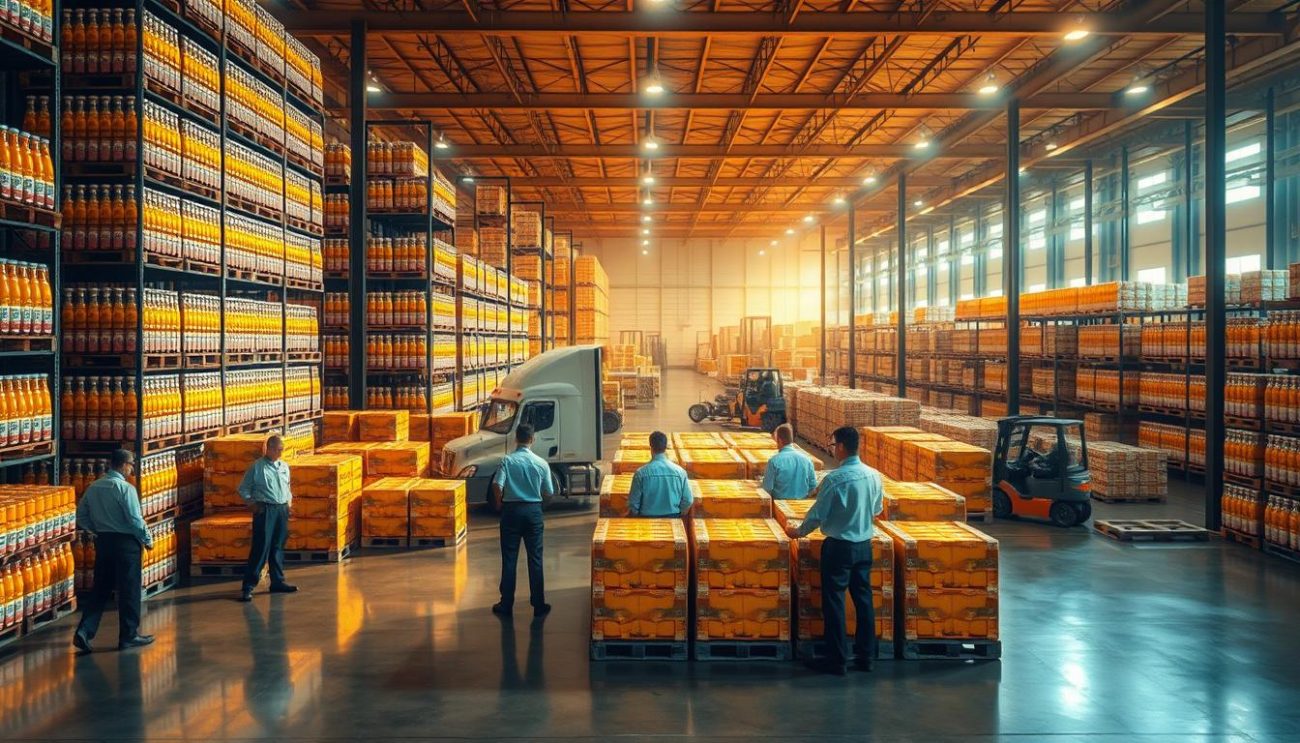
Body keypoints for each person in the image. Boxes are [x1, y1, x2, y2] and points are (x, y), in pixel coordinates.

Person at [797, 426, 884, 675]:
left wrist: (799, 531)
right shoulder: (874, 476)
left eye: (833, 445)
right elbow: (877, 510)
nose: (833, 450)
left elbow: (818, 515)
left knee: (834, 603)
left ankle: (837, 660)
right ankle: (866, 657)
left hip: (838, 548)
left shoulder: (834, 480)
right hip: (864, 546)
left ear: (842, 447)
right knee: (864, 602)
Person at [73, 448, 154, 652]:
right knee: (129, 589)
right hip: (126, 544)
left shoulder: (93, 487)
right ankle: (128, 635)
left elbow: (81, 516)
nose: (132, 469)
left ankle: (84, 631)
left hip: (104, 541)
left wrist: (96, 530)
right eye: (131, 465)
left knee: (100, 588)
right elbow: (135, 520)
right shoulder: (126, 489)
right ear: (124, 465)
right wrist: (147, 539)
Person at [492, 424, 553, 618]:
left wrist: (499, 504)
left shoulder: (507, 461)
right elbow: (549, 492)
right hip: (533, 511)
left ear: (516, 438)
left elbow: (497, 484)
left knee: (509, 558)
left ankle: (506, 603)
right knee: (535, 558)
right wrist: (539, 507)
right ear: (532, 439)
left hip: (511, 512)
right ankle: (538, 604)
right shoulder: (541, 463)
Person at [238, 434, 296, 602]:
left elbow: (287, 487)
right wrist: (251, 503)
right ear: (268, 449)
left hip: (281, 509)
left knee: (278, 546)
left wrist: (288, 503)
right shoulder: (257, 467)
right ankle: (248, 586)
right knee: (261, 547)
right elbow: (243, 488)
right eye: (278, 450)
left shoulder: (284, 466)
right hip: (265, 509)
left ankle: (277, 581)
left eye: (282, 449)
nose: (280, 453)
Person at [627, 431, 693, 518]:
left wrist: (639, 516)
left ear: (651, 447)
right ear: (665, 447)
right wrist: (679, 513)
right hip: (673, 517)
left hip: (646, 519)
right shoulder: (680, 472)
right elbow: (688, 500)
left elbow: (633, 503)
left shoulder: (640, 473)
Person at [762, 423, 817, 500]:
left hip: (780, 504)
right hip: (801, 504)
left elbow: (767, 489)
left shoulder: (774, 461)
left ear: (779, 440)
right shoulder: (807, 460)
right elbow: (813, 488)